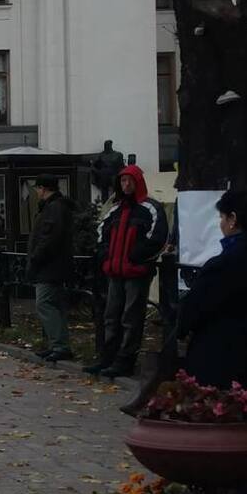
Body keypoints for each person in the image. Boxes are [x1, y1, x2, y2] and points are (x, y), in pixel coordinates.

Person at [176, 190, 247, 391]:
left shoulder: (225, 264)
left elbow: (192, 310)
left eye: (222, 217)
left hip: (221, 363)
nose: (221, 223)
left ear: (233, 219)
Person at [91, 166, 169, 401]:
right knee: (111, 315)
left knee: (130, 316)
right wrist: (107, 257)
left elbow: (157, 238)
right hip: (115, 271)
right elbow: (101, 233)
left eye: (129, 181)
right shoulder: (114, 210)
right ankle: (108, 358)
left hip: (135, 272)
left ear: (137, 182)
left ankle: (124, 360)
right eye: (122, 181)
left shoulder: (151, 208)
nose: (125, 185)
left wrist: (133, 257)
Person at [26, 175, 77, 363]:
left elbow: (49, 238)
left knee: (44, 303)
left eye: (37, 189)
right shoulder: (55, 207)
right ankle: (57, 345)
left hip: (50, 266)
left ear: (43, 188)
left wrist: (36, 257)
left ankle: (59, 345)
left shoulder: (53, 208)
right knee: (54, 304)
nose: (37, 193)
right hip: (55, 265)